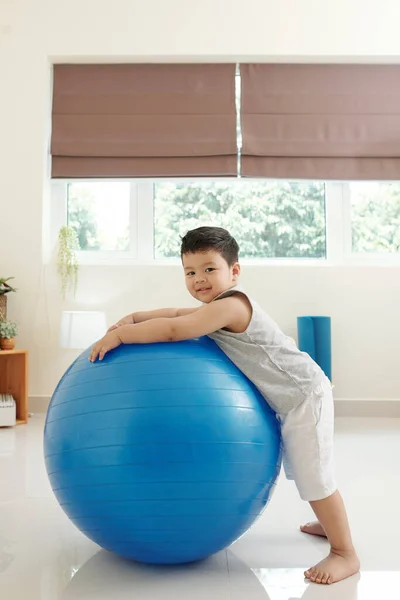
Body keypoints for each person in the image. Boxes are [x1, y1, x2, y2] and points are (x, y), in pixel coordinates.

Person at [89, 226, 360, 585]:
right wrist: (138, 316)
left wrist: (122, 335)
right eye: (190, 272)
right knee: (302, 469)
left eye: (209, 269)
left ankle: (345, 552)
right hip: (291, 398)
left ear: (234, 271)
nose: (199, 279)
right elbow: (173, 312)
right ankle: (328, 524)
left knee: (315, 477)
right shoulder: (217, 305)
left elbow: (176, 329)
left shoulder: (232, 304)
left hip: (303, 395)